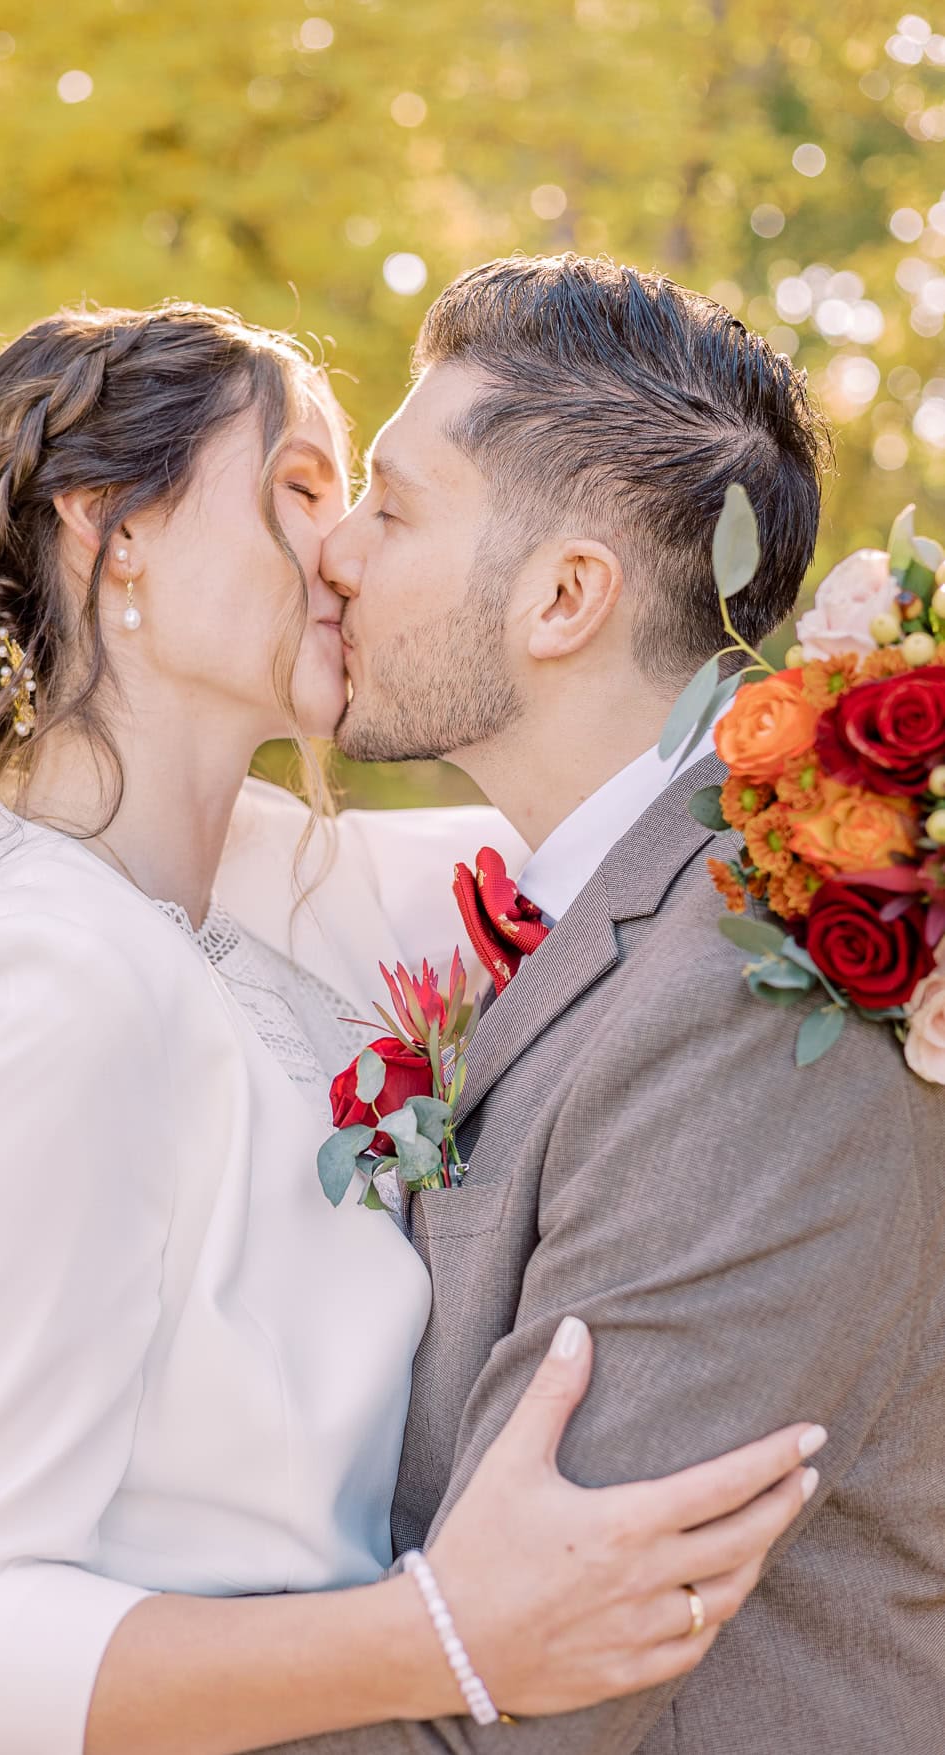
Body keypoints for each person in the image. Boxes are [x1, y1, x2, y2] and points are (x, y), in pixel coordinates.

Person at [0, 297, 821, 1755]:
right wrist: (440, 1640)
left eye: (363, 496)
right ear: (117, 534)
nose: (345, 549)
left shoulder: (285, 886)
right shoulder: (43, 982)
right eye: (300, 488)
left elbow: (649, 831)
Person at [251, 255, 945, 1755]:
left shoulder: (750, 1009)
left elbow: (526, 1708)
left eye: (392, 502)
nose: (335, 554)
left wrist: (65, 1695)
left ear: (564, 595)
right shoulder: (597, 908)